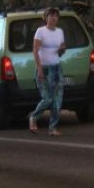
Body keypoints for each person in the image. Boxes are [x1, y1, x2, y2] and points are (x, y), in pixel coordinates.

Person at [30, 7, 68, 136]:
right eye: (51, 16)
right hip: (44, 69)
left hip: (56, 68)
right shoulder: (40, 31)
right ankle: (34, 118)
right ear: (46, 18)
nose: (54, 18)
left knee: (57, 99)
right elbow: (35, 50)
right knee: (47, 98)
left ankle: (52, 128)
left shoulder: (60, 32)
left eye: (56, 16)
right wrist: (39, 68)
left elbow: (61, 52)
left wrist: (62, 49)